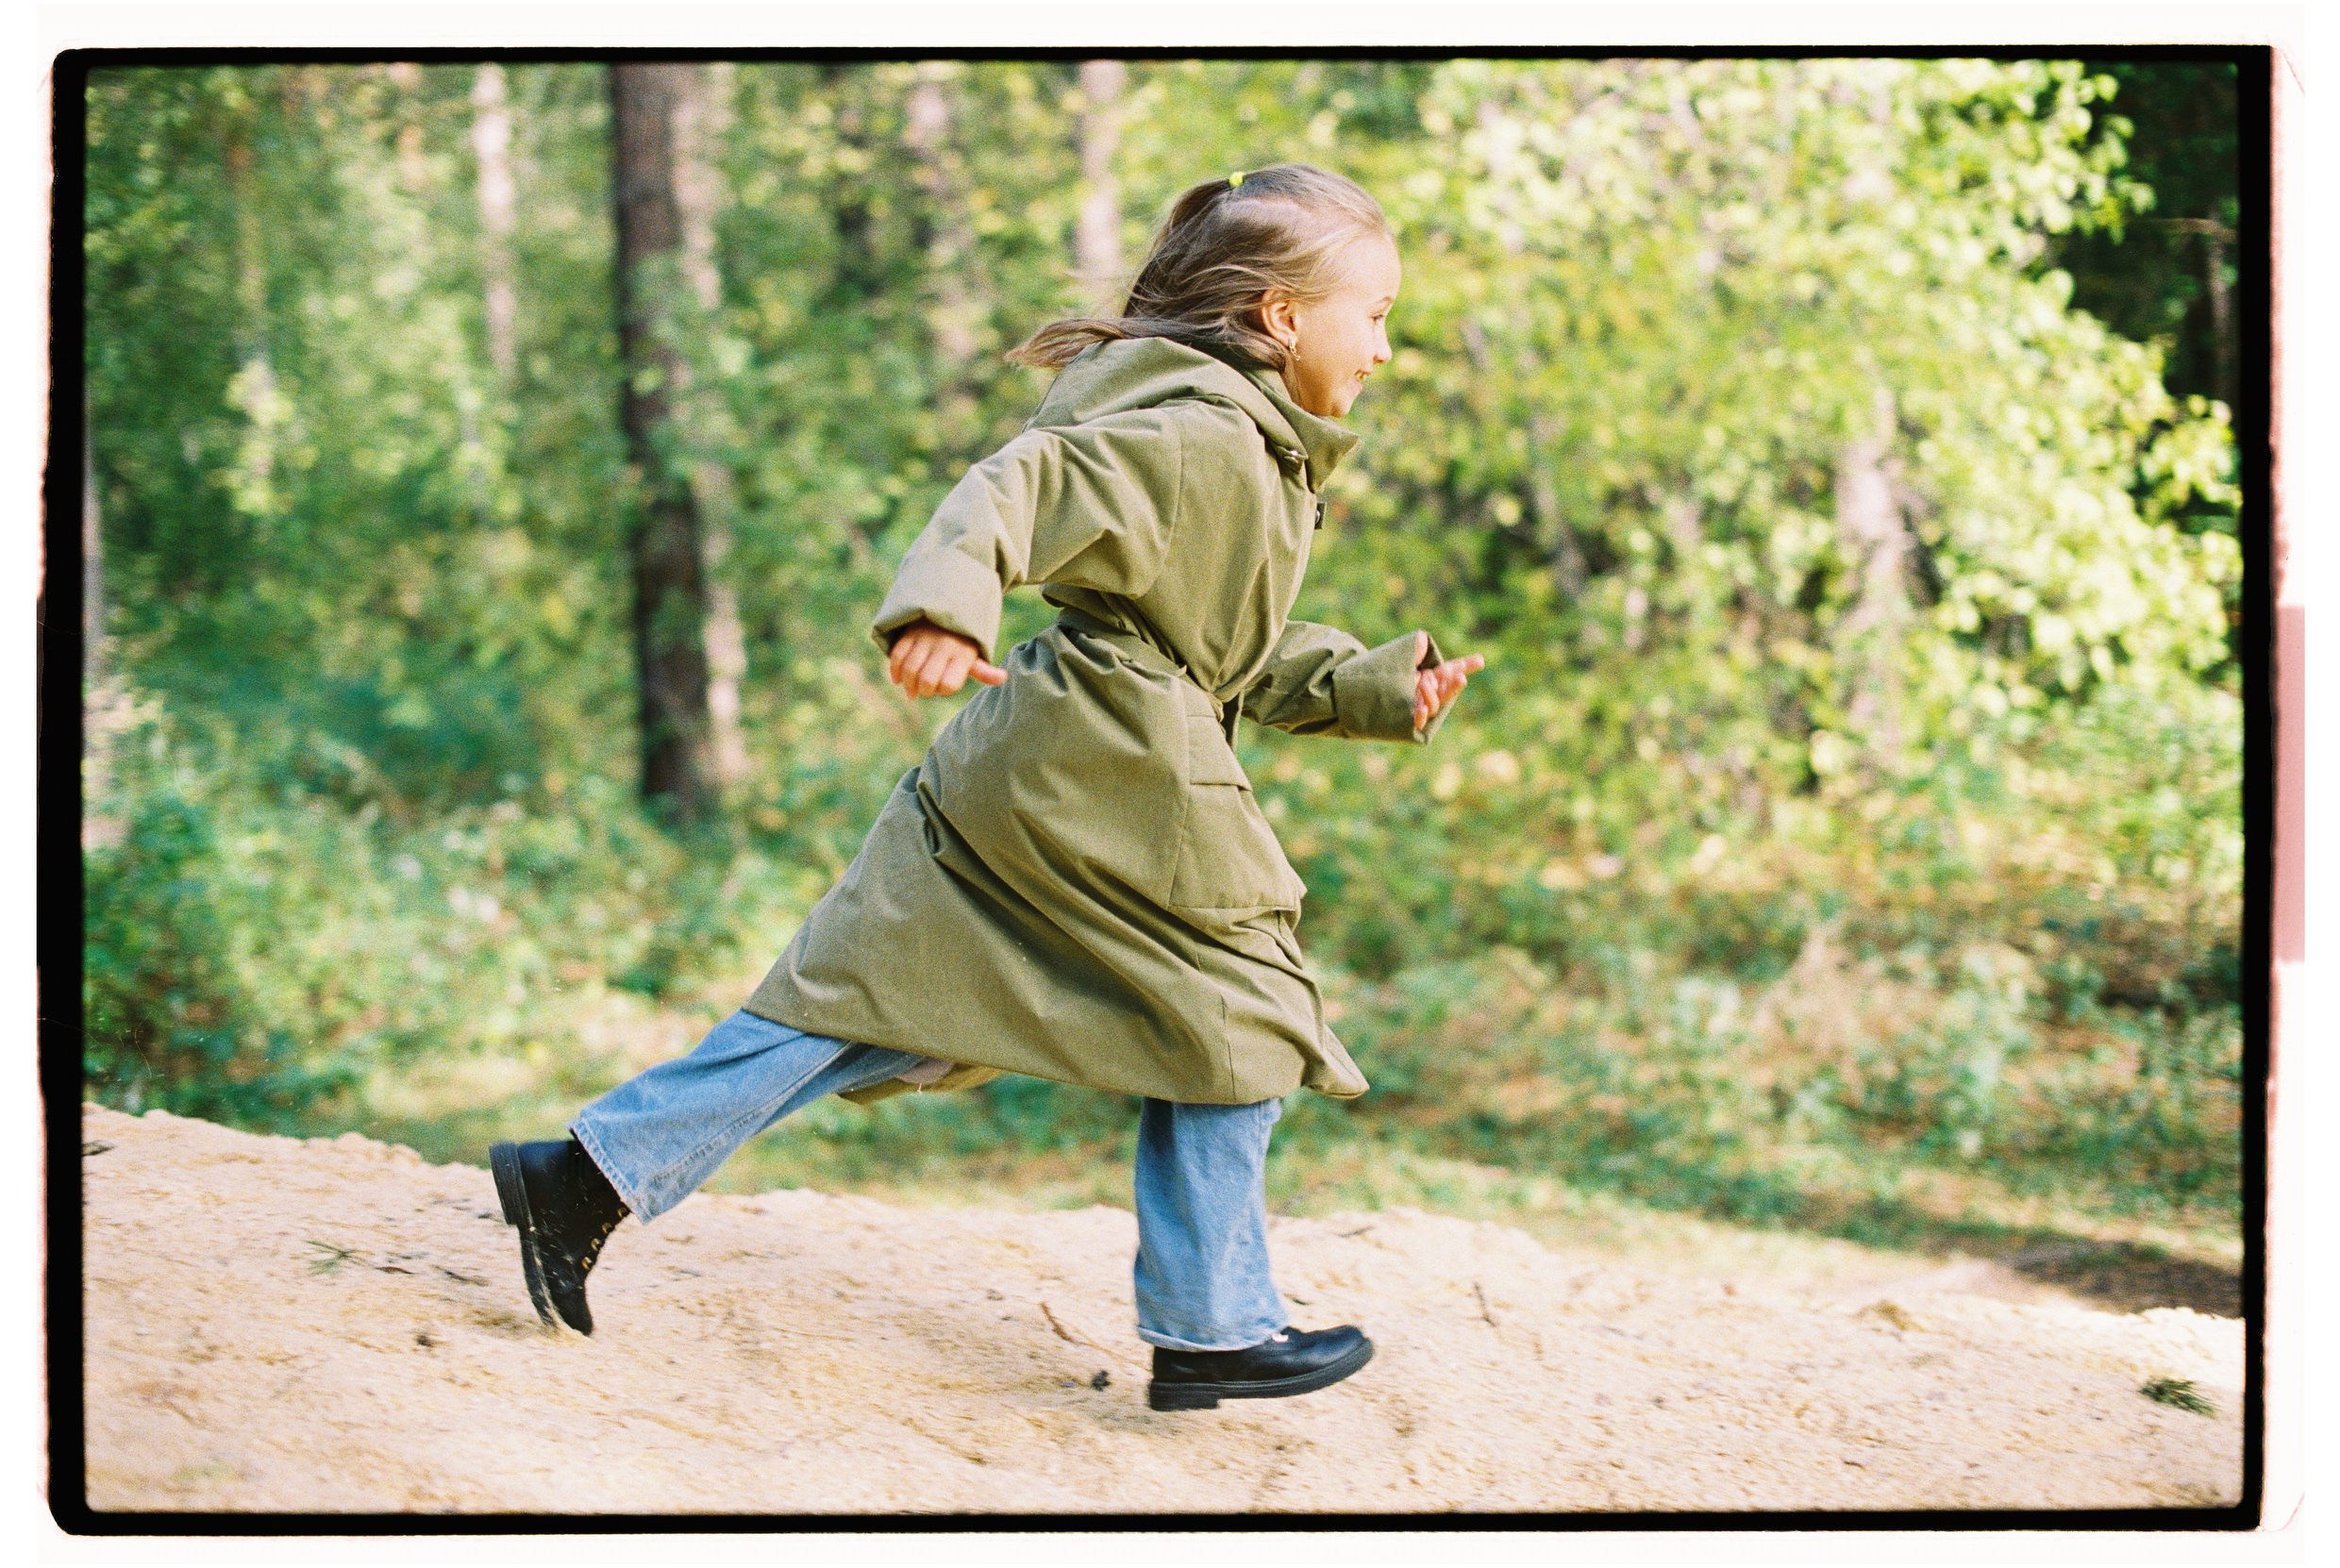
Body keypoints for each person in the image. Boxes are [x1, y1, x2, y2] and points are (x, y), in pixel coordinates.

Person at [492, 163, 1483, 1413]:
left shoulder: (1240, 436)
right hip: (1115, 768)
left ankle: (582, 1178)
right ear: (1283, 317)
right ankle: (1212, 1327)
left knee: (879, 993)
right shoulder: (1200, 433)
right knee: (1246, 1012)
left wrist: (1372, 686)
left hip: (1057, 750)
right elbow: (1021, 487)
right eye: (1375, 315)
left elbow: (1214, 643)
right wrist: (942, 607)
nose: (1386, 348)